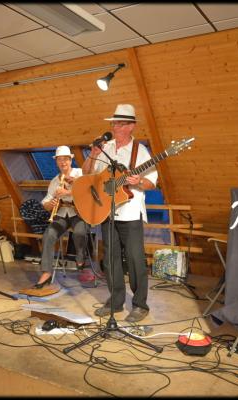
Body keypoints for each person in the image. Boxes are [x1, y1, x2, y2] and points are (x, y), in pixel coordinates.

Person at [82, 104, 158, 323]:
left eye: (120, 123)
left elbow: (151, 183)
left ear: (131, 127)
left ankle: (140, 305)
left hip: (131, 213)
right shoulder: (105, 148)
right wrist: (94, 155)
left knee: (135, 260)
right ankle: (115, 301)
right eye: (114, 123)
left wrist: (139, 181)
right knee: (111, 260)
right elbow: (87, 174)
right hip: (107, 211)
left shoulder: (140, 151)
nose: (114, 127)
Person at [33, 145, 88, 288]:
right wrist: (50, 204)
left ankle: (80, 257)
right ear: (56, 162)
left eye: (66, 159)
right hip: (61, 214)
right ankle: (46, 272)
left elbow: (89, 190)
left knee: (79, 232)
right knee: (48, 235)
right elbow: (45, 201)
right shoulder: (54, 181)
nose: (63, 162)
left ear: (71, 160)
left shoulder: (81, 173)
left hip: (79, 213)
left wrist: (69, 193)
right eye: (60, 160)